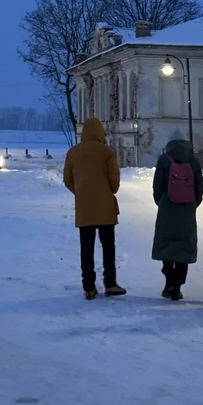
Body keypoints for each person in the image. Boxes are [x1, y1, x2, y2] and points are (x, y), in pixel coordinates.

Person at [63, 118, 126, 300]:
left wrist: (81, 192)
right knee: (108, 246)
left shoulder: (73, 153)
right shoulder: (107, 152)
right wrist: (108, 190)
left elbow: (68, 180)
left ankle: (89, 286)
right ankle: (111, 283)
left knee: (86, 247)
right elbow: (114, 181)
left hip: (84, 208)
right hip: (105, 206)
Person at [151, 135, 203, 300]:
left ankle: (169, 282)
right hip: (187, 210)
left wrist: (161, 201)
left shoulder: (164, 160)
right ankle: (178, 286)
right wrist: (193, 203)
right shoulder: (193, 162)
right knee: (184, 247)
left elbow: (157, 185)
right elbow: (199, 187)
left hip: (167, 207)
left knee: (166, 244)